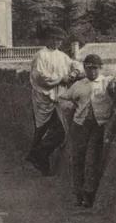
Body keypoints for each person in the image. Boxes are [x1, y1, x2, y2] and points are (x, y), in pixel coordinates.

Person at [57, 53, 116, 207]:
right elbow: (62, 99)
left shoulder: (106, 82)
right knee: (77, 159)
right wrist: (70, 107)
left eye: (95, 68)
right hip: (80, 125)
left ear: (100, 68)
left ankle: (88, 194)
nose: (92, 71)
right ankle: (78, 194)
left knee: (93, 159)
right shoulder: (79, 85)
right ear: (84, 68)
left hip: (98, 125)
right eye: (89, 68)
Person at [25, 28, 82, 175]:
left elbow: (76, 65)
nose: (57, 42)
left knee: (58, 128)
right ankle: (38, 156)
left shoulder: (62, 55)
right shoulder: (41, 55)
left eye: (59, 40)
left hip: (59, 98)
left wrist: (74, 72)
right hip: (44, 98)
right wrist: (60, 79)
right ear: (48, 39)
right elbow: (40, 78)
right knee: (44, 128)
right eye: (54, 39)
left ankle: (36, 155)